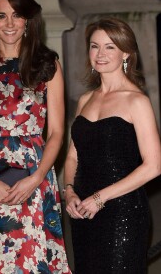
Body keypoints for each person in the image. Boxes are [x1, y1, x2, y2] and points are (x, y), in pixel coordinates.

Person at [0, 0, 72, 274]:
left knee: (35, 263)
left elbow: (57, 133)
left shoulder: (47, 66)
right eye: (1, 16)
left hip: (35, 182)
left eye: (16, 15)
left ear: (27, 19)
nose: (10, 24)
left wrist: (36, 179)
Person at [63, 17, 161, 274]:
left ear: (126, 53)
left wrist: (100, 197)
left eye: (110, 47)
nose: (100, 54)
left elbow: (154, 166)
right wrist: (70, 191)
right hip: (83, 211)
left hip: (123, 212)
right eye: (95, 46)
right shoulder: (85, 99)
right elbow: (73, 156)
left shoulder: (136, 101)